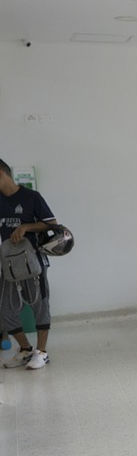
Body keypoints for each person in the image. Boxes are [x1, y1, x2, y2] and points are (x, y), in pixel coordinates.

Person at [0, 158, 58, 370]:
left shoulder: (31, 197)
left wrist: (26, 227)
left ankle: (42, 353)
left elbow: (52, 224)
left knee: (39, 305)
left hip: (33, 262)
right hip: (8, 265)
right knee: (4, 309)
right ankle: (25, 349)